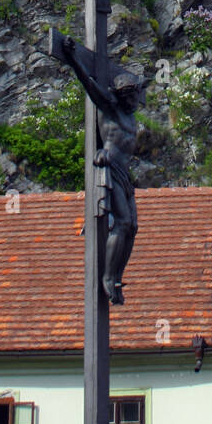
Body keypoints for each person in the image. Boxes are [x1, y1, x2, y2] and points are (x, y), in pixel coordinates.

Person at [60, 37, 141, 305]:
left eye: (136, 95)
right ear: (120, 96)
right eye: (129, 96)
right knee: (123, 222)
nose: (133, 100)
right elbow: (90, 85)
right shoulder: (110, 108)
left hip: (125, 174)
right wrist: (73, 59)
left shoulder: (131, 116)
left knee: (133, 227)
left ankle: (117, 275)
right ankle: (107, 276)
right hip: (110, 168)